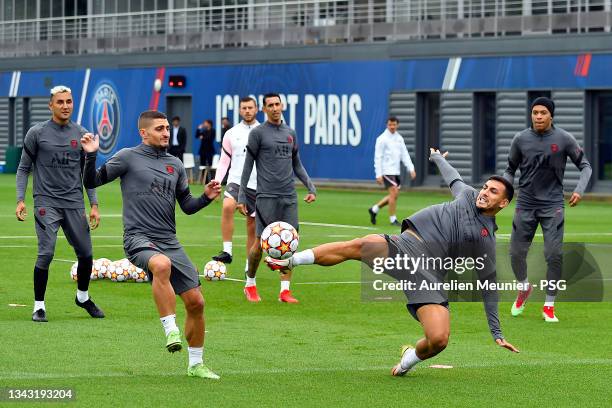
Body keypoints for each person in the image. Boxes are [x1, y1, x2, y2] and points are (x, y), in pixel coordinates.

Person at [266, 149, 519, 375]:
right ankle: (291, 260)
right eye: (485, 187)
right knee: (358, 246)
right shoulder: (466, 194)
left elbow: (489, 286)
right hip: (404, 245)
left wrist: (497, 333)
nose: (484, 192)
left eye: (492, 191)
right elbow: (452, 175)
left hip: (427, 273)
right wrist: (437, 156)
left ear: (503, 203)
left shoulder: (486, 239)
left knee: (439, 339)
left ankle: (408, 359)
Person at [81, 110, 221, 379]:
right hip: (138, 238)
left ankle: (196, 365)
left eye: (167, 127)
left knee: (197, 303)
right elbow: (91, 181)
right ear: (143, 133)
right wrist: (90, 155)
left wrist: (206, 197)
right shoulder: (127, 157)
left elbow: (188, 207)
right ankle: (170, 329)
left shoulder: (175, 164)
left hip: (169, 240)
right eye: (159, 128)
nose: (166, 132)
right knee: (161, 264)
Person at [15, 85, 104, 323]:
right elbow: (24, 168)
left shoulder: (82, 134)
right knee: (46, 253)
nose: (66, 106)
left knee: (86, 255)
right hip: (46, 202)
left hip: (74, 203)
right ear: (51, 105)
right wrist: (20, 199)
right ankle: (39, 306)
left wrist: (93, 204)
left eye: (69, 102)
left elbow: (88, 174)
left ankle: (83, 298)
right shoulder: (37, 133)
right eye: (61, 102)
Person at [504, 97, 592, 322]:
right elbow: (509, 170)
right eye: (535, 113)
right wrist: (505, 190)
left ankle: (549, 306)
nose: (539, 116)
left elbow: (586, 167)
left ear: (551, 115)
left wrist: (579, 190)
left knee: (553, 255)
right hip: (525, 204)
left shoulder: (564, 139)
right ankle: (524, 288)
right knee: (515, 254)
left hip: (552, 205)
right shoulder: (520, 139)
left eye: (543, 112)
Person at [238, 93, 316, 303]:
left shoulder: (290, 133)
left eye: (277, 104)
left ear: (283, 106)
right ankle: (250, 284)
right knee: (259, 245)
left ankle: (284, 291)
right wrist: (241, 195)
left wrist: (310, 186)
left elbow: (297, 163)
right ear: (264, 109)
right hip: (266, 197)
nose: (274, 108)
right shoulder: (258, 133)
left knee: (290, 244)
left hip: (289, 196)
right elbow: (247, 165)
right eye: (270, 105)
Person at [211, 97, 260, 273]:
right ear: (239, 110)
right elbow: (224, 162)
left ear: (257, 109)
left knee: (252, 226)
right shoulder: (231, 133)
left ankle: (249, 264)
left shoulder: (263, 132)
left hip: (257, 183)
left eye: (250, 108)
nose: (247, 111)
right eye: (244, 108)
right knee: (227, 206)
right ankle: (227, 250)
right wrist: (217, 182)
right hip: (236, 180)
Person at [368, 116, 416, 226]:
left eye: (394, 124)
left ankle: (374, 209)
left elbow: (405, 154)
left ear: (397, 125)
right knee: (394, 192)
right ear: (387, 125)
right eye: (390, 124)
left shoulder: (399, 138)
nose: (392, 126)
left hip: (396, 171)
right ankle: (393, 219)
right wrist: (378, 174)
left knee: (394, 195)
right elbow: (378, 157)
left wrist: (411, 168)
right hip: (386, 171)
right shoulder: (381, 139)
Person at [196, 119, 215, 184]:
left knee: (210, 166)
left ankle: (212, 180)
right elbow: (197, 136)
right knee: (203, 165)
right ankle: (205, 180)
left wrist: (203, 137)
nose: (204, 124)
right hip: (203, 151)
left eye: (205, 123)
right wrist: (198, 129)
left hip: (209, 151)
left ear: (209, 124)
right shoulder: (204, 131)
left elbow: (210, 138)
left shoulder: (213, 130)